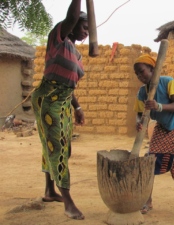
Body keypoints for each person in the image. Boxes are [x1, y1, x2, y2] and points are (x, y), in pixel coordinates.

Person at [31, 0, 88, 220]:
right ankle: (68, 202)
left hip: (63, 102)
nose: (85, 33)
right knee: (57, 146)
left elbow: (70, 82)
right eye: (83, 27)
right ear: (72, 26)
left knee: (56, 145)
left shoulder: (76, 53)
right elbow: (72, 16)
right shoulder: (58, 39)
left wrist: (78, 107)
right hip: (47, 100)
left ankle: (49, 191)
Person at [133, 54, 174, 214]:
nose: (140, 76)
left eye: (142, 71)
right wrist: (139, 122)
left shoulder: (168, 82)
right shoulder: (142, 92)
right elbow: (140, 113)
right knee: (151, 159)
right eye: (137, 74)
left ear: (152, 69)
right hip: (162, 126)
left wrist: (159, 106)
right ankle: (148, 200)